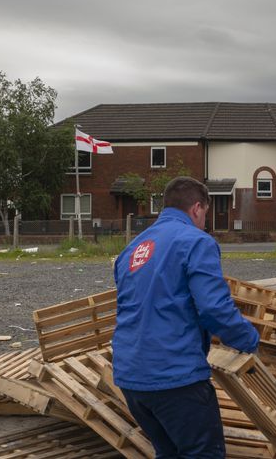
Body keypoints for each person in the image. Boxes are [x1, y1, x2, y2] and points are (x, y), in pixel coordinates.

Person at [112, 176, 259, 458]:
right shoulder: (196, 242)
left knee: (168, 453)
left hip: (131, 378)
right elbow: (214, 309)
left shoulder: (132, 249)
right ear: (196, 208)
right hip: (175, 378)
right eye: (205, 213)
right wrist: (249, 339)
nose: (205, 220)